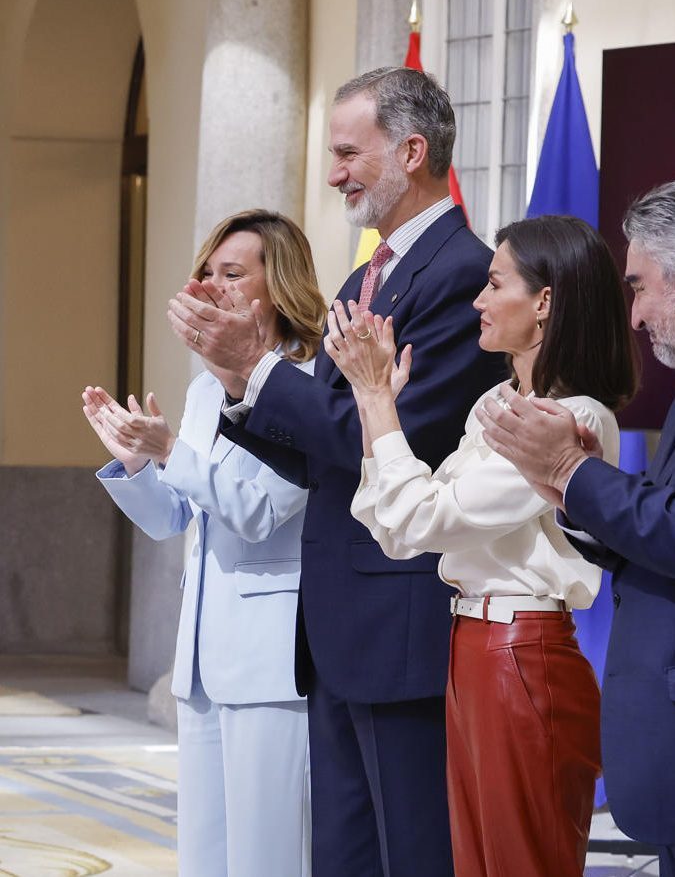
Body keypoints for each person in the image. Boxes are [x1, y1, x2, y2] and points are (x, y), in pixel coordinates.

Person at [166, 67, 504, 877]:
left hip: (397, 616)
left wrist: (254, 364)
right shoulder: (363, 280)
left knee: (409, 853)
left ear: (411, 151)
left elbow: (382, 440)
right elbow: (320, 441)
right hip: (335, 626)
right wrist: (237, 387)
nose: (333, 173)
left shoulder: (459, 274)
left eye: (348, 153)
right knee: (344, 858)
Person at [325, 214, 638, 877]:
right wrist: (372, 407)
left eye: (495, 283)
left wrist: (378, 402)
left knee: (522, 862)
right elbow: (394, 525)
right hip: (473, 647)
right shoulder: (497, 399)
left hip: (523, 654)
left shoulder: (569, 418)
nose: (477, 299)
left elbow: (422, 519)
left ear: (544, 301)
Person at [82, 210, 327, 877]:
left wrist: (169, 451)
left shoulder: (306, 388)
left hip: (271, 662)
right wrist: (138, 461)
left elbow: (258, 511)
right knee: (206, 858)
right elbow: (174, 517)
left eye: (232, 273)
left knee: (268, 857)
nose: (212, 285)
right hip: (200, 662)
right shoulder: (198, 392)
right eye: (206, 272)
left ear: (275, 287)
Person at [477, 183, 675, 877]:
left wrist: (570, 468)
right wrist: (570, 485)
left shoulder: (573, 408)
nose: (635, 313)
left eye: (642, 287)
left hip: (521, 658)